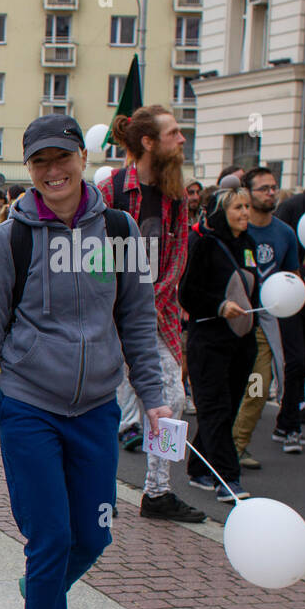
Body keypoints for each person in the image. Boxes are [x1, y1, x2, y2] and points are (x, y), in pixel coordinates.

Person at [0, 115, 168, 609]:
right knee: (50, 536)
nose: (53, 172)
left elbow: (138, 322)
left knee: (95, 535)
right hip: (30, 407)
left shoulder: (120, 229)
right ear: (29, 170)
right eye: (40, 163)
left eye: (62, 159)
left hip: (97, 408)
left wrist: (153, 399)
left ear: (81, 157)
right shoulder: (11, 238)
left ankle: (39, 590)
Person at [98, 105, 206, 523]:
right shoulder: (111, 191)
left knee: (173, 399)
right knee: (101, 404)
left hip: (153, 317)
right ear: (148, 142)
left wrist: (147, 302)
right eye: (174, 133)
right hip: (104, 315)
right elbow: (85, 252)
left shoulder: (175, 194)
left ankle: (157, 491)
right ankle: (99, 490)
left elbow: (176, 260)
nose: (181, 140)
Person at [180, 187, 260, 502]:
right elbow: (188, 294)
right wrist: (219, 306)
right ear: (221, 213)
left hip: (241, 341)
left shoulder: (248, 244)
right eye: (237, 207)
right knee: (215, 408)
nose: (244, 213)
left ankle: (198, 469)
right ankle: (227, 478)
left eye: (247, 206)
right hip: (208, 341)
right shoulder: (203, 245)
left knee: (227, 408)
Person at [232, 168, 301, 463]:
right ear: (247, 192)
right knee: (227, 389)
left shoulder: (284, 233)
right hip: (230, 321)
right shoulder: (236, 229)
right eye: (263, 189)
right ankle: (214, 452)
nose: (271, 193)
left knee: (259, 386)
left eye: (274, 188)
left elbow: (292, 277)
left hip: (263, 324)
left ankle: (235, 447)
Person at [274, 184, 305, 453]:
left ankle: (288, 419)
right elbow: (281, 256)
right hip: (288, 296)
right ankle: (290, 425)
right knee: (295, 361)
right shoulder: (292, 207)